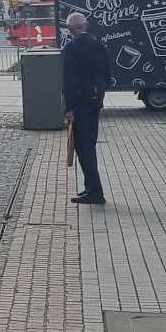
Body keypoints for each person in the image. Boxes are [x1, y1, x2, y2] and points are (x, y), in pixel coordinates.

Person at [61, 12, 113, 205]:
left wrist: (69, 107)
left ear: (69, 29)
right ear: (86, 25)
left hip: (80, 104)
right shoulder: (98, 45)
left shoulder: (70, 48)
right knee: (89, 144)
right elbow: (108, 75)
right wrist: (98, 94)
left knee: (84, 149)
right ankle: (91, 188)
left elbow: (69, 80)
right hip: (95, 102)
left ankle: (95, 192)